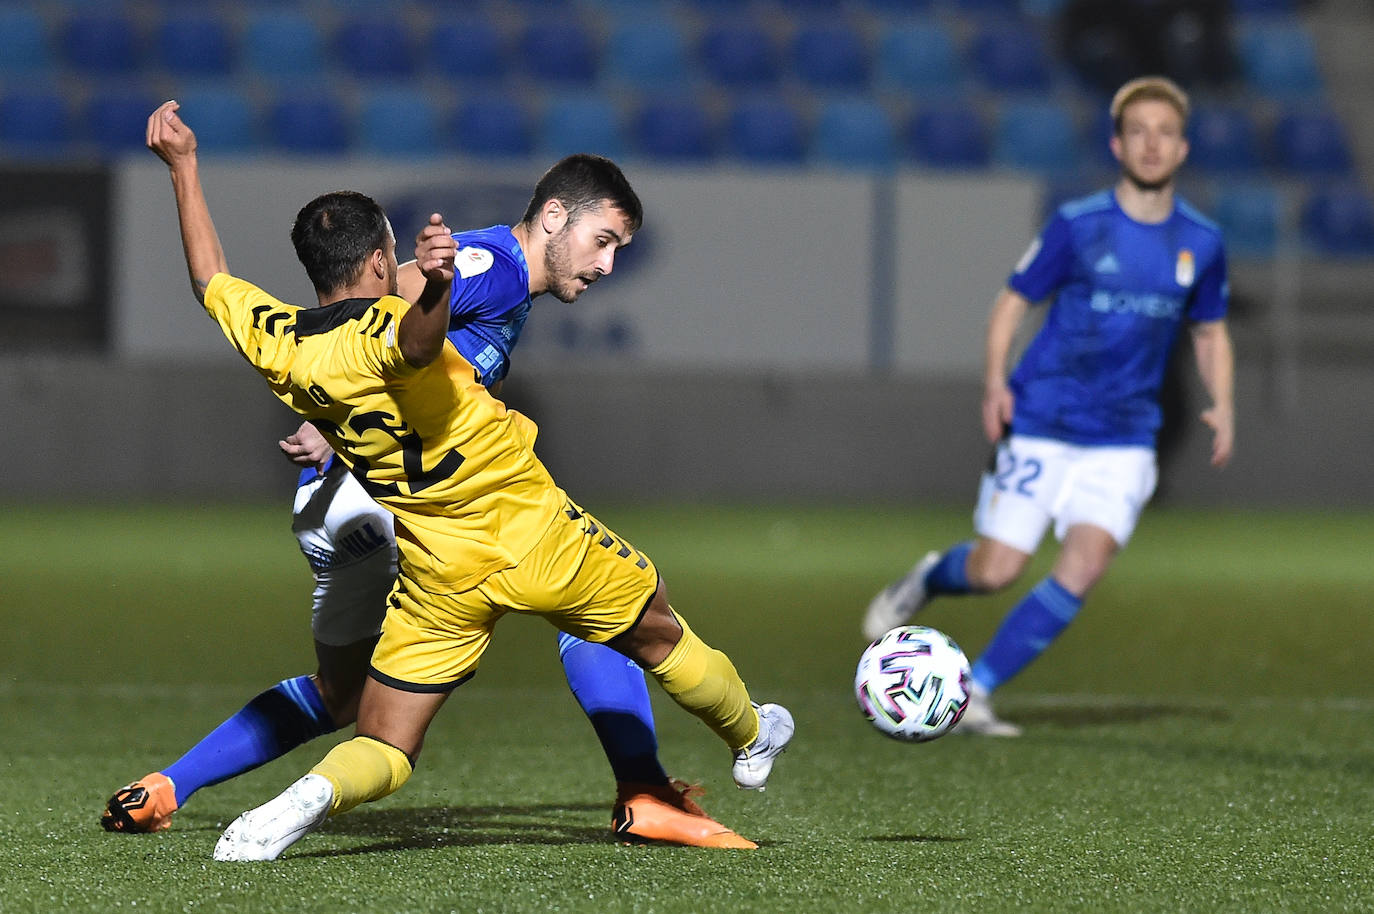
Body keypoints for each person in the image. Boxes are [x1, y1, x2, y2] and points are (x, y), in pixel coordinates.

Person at [140, 100, 792, 861]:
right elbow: (408, 331)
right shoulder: (488, 270)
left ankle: (300, 793)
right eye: (603, 240)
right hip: (515, 522)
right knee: (650, 624)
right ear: (553, 217)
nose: (608, 263)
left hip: (432, 550)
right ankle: (745, 738)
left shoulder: (279, 338)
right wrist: (438, 280)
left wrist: (185, 168)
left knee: (376, 724)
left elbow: (211, 279)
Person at [862, 76, 1234, 736]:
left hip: (1124, 437)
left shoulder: (1201, 242)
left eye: (1166, 133)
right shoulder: (1079, 225)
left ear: (1183, 148)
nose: (1152, 144)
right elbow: (1011, 303)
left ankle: (976, 690)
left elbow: (1209, 330)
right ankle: (926, 578)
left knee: (1085, 565)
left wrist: (1223, 402)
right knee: (995, 569)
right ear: (1118, 144)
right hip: (1042, 421)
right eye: (1139, 132)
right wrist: (995, 382)